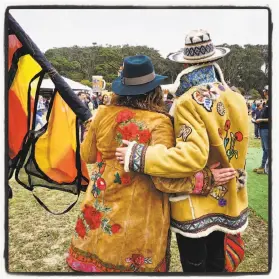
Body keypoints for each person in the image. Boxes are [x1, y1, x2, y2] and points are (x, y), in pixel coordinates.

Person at [66, 55, 235, 273]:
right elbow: (165, 180)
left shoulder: (102, 113)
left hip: (99, 206)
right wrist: (205, 179)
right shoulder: (160, 122)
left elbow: (87, 155)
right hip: (140, 216)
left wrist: (92, 127)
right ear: (155, 89)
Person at [116, 30, 249, 273]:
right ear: (215, 59)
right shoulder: (236, 97)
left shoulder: (189, 100)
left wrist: (139, 155)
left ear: (186, 62)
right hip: (229, 194)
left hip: (196, 203)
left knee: (196, 266)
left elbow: (191, 157)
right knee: (217, 263)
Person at [253, 85, 269, 174]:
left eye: (265, 90)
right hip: (262, 128)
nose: (263, 92)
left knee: (267, 149)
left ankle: (266, 168)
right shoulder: (266, 102)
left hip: (267, 129)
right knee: (264, 148)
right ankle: (263, 166)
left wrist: (261, 120)